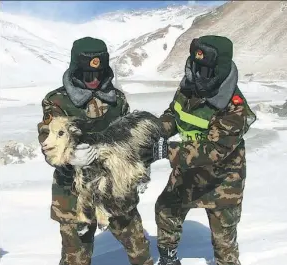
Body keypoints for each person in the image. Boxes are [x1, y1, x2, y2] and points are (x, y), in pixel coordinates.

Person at [141, 35, 257, 265]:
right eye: (196, 67)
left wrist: (166, 151)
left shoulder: (235, 107)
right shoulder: (188, 89)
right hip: (188, 172)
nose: (198, 75)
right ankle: (168, 258)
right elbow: (173, 115)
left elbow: (214, 150)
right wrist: (155, 131)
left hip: (222, 181)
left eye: (206, 70)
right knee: (166, 210)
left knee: (224, 241)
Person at [37, 36, 153, 265]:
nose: (93, 80)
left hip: (115, 186)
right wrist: (69, 156)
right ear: (75, 70)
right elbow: (47, 141)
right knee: (76, 257)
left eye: (98, 75)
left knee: (139, 248)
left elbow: (128, 137)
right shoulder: (57, 101)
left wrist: (141, 163)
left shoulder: (117, 100)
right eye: (86, 75)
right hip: (74, 189)